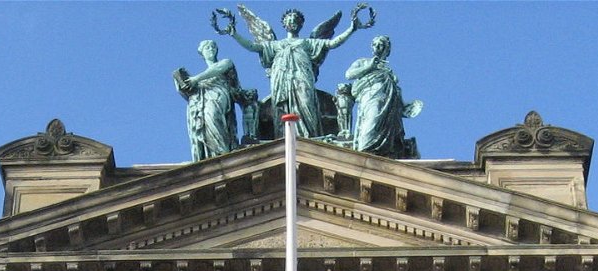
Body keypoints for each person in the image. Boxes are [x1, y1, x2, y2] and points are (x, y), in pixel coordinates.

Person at [218, 7, 361, 138]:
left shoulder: (308, 43)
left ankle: (309, 135)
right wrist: (234, 34)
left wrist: (352, 29)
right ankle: (283, 136)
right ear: (284, 24)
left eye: (296, 20)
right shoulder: (275, 45)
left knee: (306, 101)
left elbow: (332, 43)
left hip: (302, 75)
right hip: (281, 78)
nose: (292, 22)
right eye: (289, 20)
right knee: (282, 106)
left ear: (300, 24)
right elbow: (252, 46)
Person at [344, 35, 420, 157]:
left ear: (386, 49)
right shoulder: (363, 62)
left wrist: (405, 107)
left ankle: (381, 151)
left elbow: (395, 92)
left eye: (380, 45)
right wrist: (370, 66)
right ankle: (366, 149)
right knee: (372, 118)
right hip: (370, 96)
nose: (377, 47)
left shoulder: (388, 71)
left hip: (388, 102)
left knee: (385, 126)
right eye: (375, 45)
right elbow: (349, 75)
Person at [175, 40, 242, 161]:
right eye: (207, 48)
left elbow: (216, 70)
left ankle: (222, 152)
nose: (211, 49)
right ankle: (209, 156)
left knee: (213, 116)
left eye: (213, 47)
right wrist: (181, 85)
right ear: (202, 54)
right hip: (201, 102)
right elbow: (188, 94)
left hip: (218, 96)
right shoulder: (199, 80)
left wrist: (196, 79)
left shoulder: (226, 62)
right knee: (203, 124)